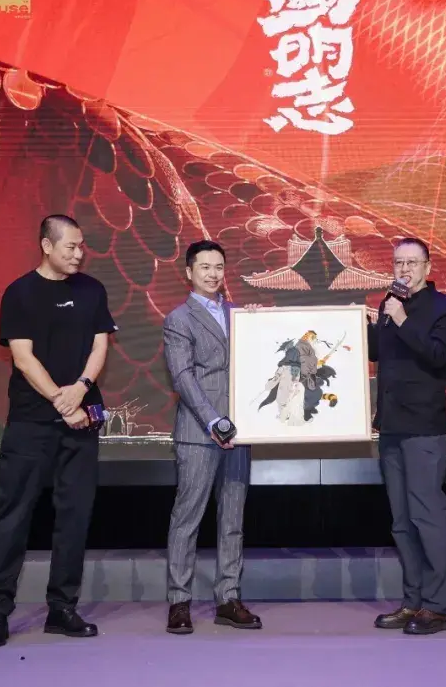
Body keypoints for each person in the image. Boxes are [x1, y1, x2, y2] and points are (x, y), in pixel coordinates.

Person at [0, 214, 117, 648]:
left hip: (81, 421)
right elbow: (23, 357)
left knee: (74, 515)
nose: (78, 253)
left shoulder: (92, 289)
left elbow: (100, 345)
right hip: (30, 423)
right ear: (46, 245)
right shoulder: (20, 293)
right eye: (70, 246)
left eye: (81, 246)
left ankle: (62, 608)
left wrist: (81, 389)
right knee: (13, 515)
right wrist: (61, 399)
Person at [162, 240, 262, 634]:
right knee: (187, 519)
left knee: (232, 519)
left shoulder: (240, 316)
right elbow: (182, 377)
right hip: (199, 433)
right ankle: (179, 602)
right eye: (204, 267)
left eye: (219, 266)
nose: (213, 273)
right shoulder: (178, 319)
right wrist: (214, 421)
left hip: (240, 432)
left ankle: (228, 598)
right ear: (189, 272)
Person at [367, 236, 446, 635]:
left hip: (423, 426)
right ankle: (413, 602)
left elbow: (438, 355)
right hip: (391, 425)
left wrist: (402, 320)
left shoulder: (444, 308)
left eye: (411, 262)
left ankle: (437, 608)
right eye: (398, 263)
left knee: (427, 516)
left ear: (427, 267)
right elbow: (376, 352)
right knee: (402, 521)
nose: (403, 269)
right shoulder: (388, 305)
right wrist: (357, 326)